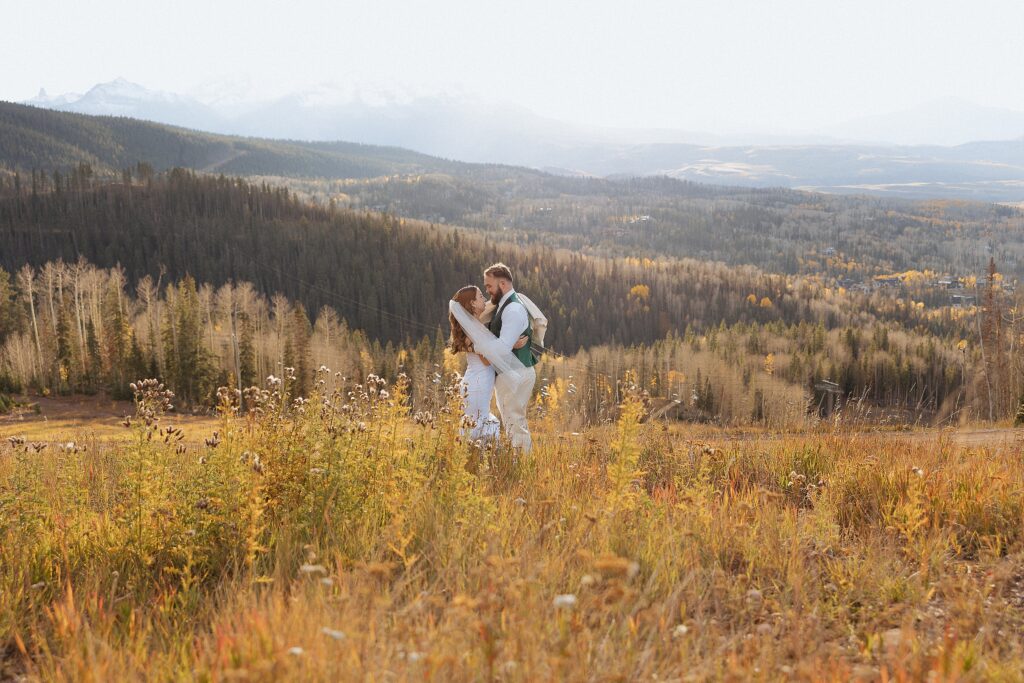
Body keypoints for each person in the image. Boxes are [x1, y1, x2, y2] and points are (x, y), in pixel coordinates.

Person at [448, 285, 529, 445]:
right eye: (480, 297)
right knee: (478, 423)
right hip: (477, 384)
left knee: (479, 423)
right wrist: (511, 344)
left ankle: (476, 460)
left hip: (480, 382)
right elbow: (486, 359)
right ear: (471, 303)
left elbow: (489, 351)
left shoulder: (475, 326)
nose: (484, 299)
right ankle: (475, 459)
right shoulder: (472, 330)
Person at [482, 263, 539, 454]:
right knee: (511, 420)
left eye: (489, 286)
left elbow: (502, 348)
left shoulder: (513, 309)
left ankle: (522, 463)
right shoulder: (505, 304)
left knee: (514, 420)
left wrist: (476, 347)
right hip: (513, 372)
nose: (487, 290)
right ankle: (520, 460)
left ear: (503, 284)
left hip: (516, 373)